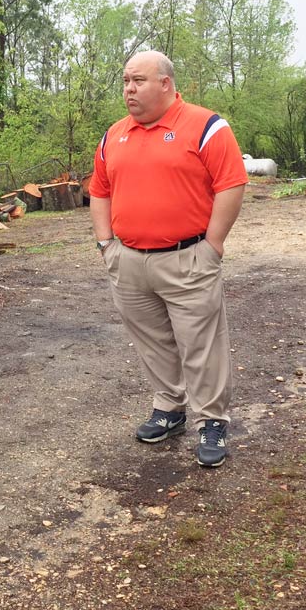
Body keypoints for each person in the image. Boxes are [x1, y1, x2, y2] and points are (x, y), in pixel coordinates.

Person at [89, 50, 247, 468]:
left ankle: (211, 420)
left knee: (201, 343)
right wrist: (106, 245)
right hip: (129, 261)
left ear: (166, 83)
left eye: (138, 80)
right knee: (152, 342)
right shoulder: (114, 135)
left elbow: (231, 185)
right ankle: (169, 408)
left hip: (187, 258)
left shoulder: (206, 127)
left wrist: (212, 245)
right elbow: (100, 191)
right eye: (125, 81)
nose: (128, 89)